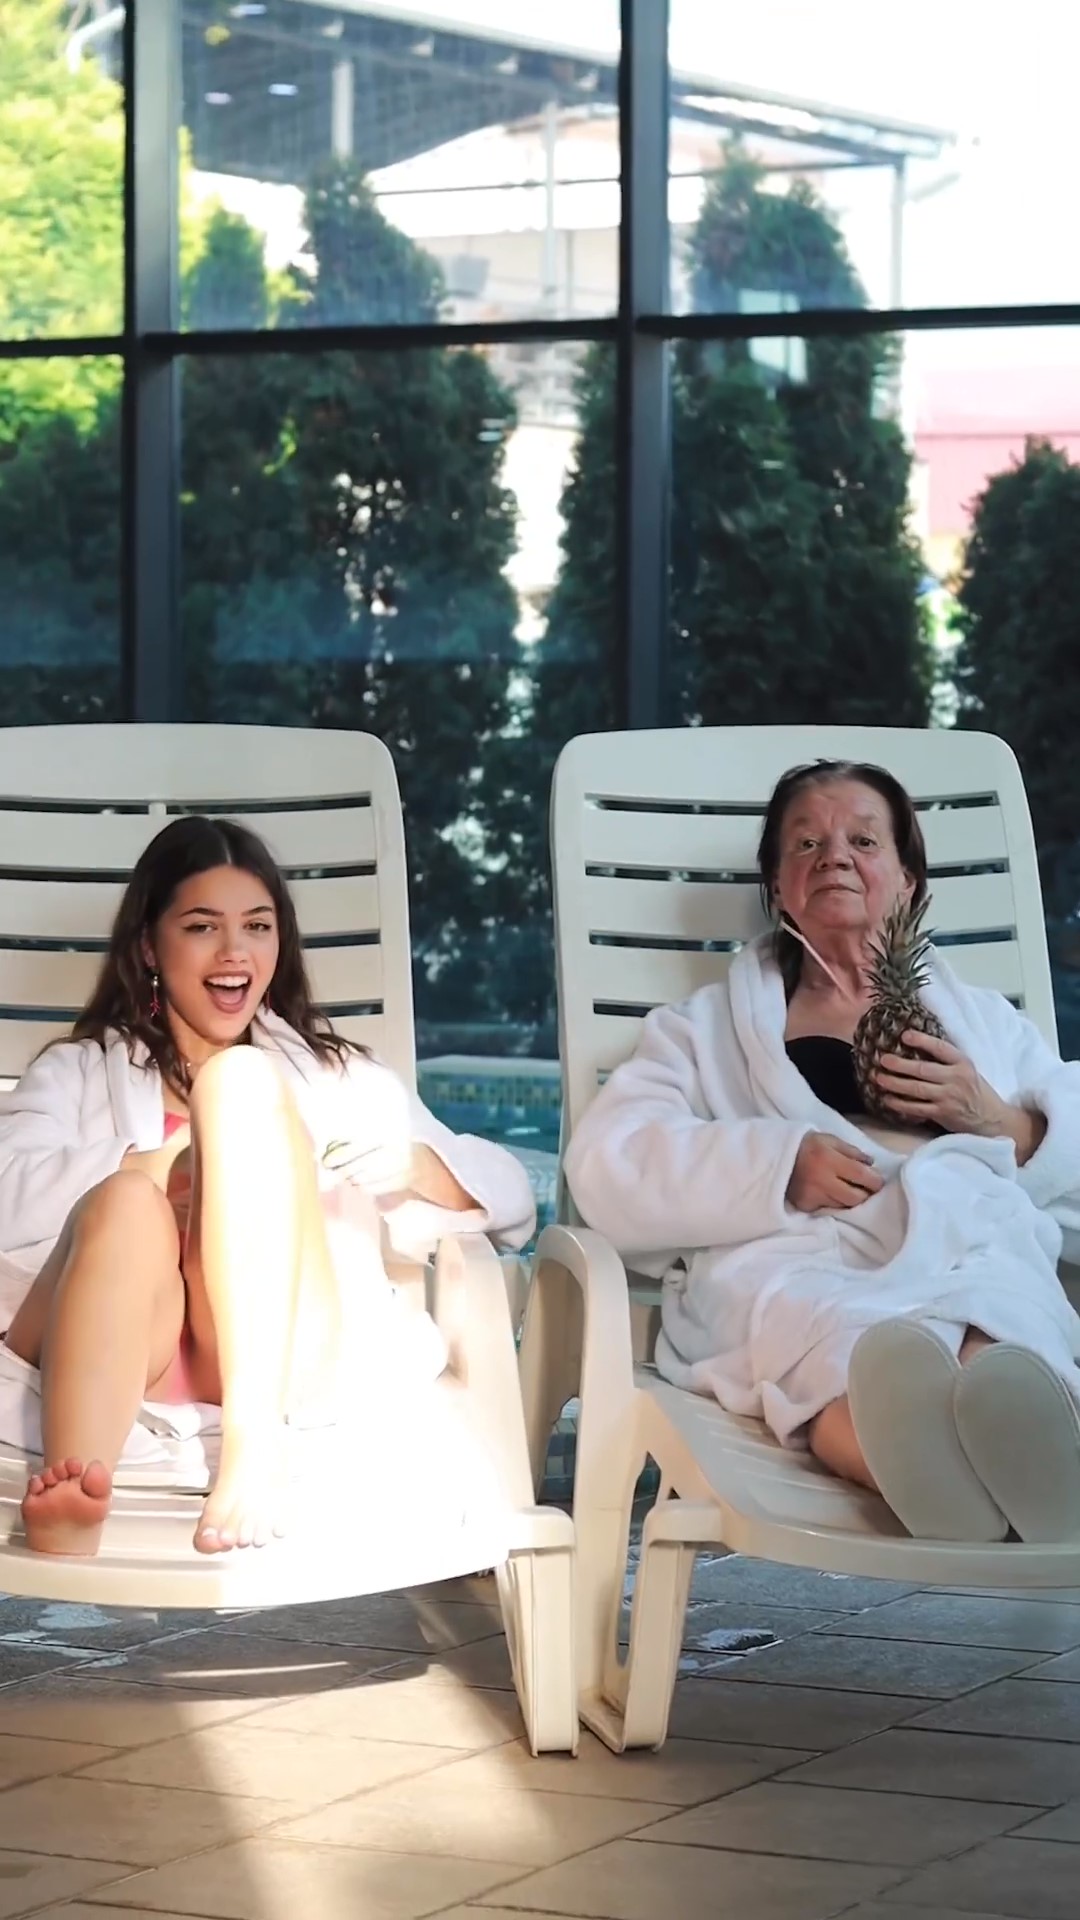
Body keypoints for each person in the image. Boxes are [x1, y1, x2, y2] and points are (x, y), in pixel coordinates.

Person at [566, 760, 1080, 1544]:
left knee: (997, 1332)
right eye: (805, 843)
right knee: (844, 1350)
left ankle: (1003, 1466)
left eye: (863, 841)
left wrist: (1004, 1121)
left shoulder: (985, 1022)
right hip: (801, 1254)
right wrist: (777, 1167)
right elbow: (611, 1160)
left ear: (908, 883)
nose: (833, 855)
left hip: (964, 1238)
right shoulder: (703, 1029)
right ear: (778, 888)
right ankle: (934, 1469)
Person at [0, 816, 534, 1559]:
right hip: (121, 1340)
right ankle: (75, 1485)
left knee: (240, 1082)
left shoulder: (335, 1075)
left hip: (276, 1358)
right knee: (124, 1201)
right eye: (202, 927)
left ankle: (254, 1448)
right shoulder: (81, 1071)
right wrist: (172, 1164)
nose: (234, 952)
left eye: (257, 926)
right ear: (149, 946)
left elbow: (514, 1199)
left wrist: (414, 1164)